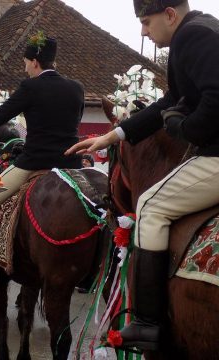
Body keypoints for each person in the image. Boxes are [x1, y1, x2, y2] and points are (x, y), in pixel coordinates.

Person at [65, 0, 219, 351]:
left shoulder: (192, 36)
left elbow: (215, 99)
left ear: (170, 15)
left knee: (149, 205)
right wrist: (112, 136)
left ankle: (148, 324)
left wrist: (185, 128)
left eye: (146, 22)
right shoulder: (205, 29)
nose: (142, 31)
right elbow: (169, 102)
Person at [0, 32, 84, 288]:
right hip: (72, 165)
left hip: (35, 162)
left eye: (25, 63)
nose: (24, 68)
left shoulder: (31, 87)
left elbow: (2, 114)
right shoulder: (76, 88)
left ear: (35, 61)